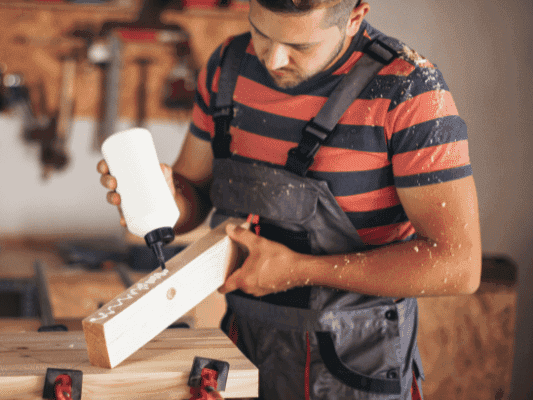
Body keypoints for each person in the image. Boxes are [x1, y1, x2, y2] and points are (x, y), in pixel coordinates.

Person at [98, 0, 481, 398]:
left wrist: (301, 269)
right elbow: (192, 196)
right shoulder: (227, 65)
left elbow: (458, 264)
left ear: (354, 17)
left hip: (357, 367)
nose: (273, 59)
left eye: (300, 46)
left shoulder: (410, 91)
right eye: (261, 33)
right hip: (244, 351)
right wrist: (164, 201)